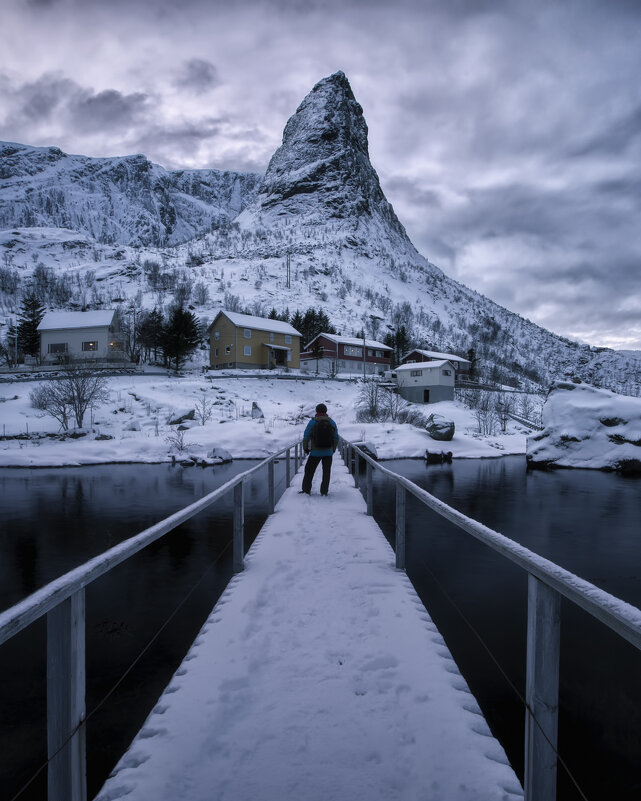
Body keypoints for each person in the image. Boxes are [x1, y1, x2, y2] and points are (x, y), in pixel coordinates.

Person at [300, 403, 339, 495]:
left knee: (309, 471)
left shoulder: (313, 421)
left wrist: (305, 448)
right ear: (326, 411)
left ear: (316, 411)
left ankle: (306, 490)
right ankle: (324, 492)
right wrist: (333, 449)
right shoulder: (331, 422)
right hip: (328, 452)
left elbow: (306, 436)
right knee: (326, 473)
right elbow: (336, 437)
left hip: (315, 452)